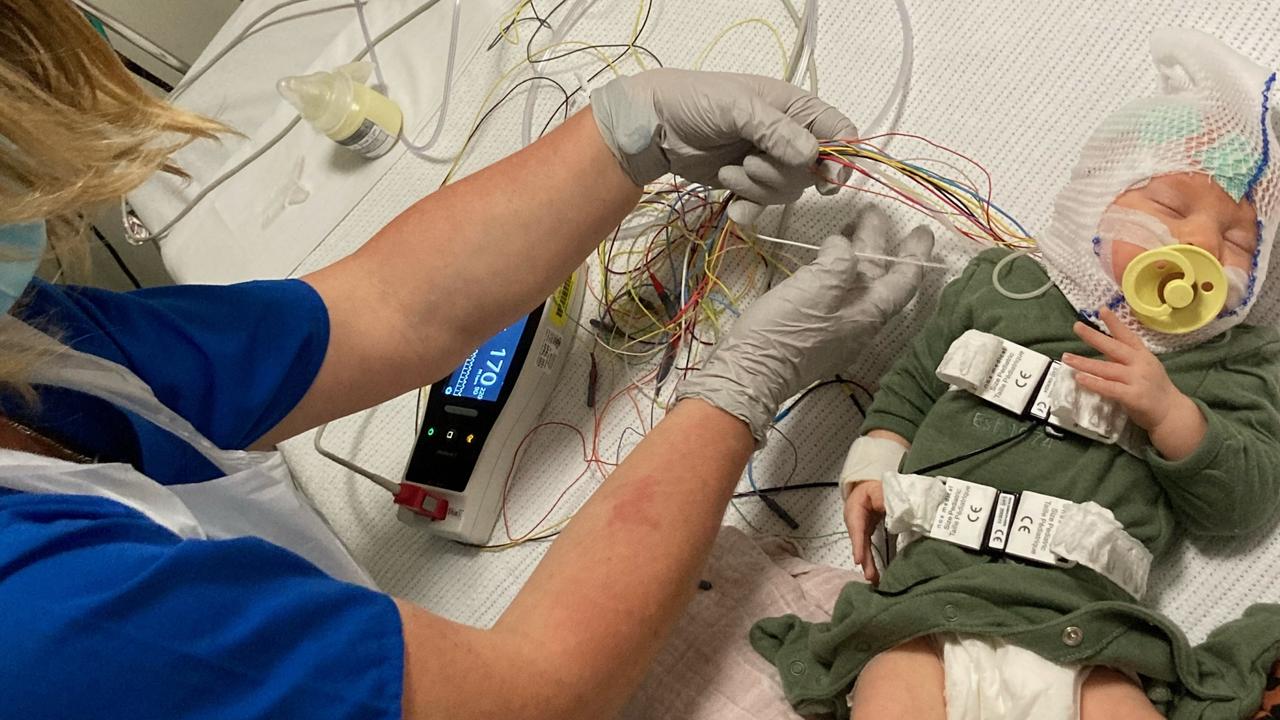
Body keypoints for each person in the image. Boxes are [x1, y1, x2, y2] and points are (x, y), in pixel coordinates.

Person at [0, 3, 935, 718]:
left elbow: (383, 310)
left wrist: (624, 134)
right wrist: (739, 384)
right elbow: (529, 694)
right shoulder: (41, 624)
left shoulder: (30, 350)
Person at [752, 29, 1280, 720]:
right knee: (890, 690)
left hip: (1091, 632)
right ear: (1099, 194)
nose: (1201, 244)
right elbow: (914, 381)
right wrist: (876, 460)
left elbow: (1242, 505)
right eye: (1172, 208)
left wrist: (1171, 414)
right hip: (923, 607)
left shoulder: (1228, 360)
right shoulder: (1008, 285)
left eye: (1240, 240)